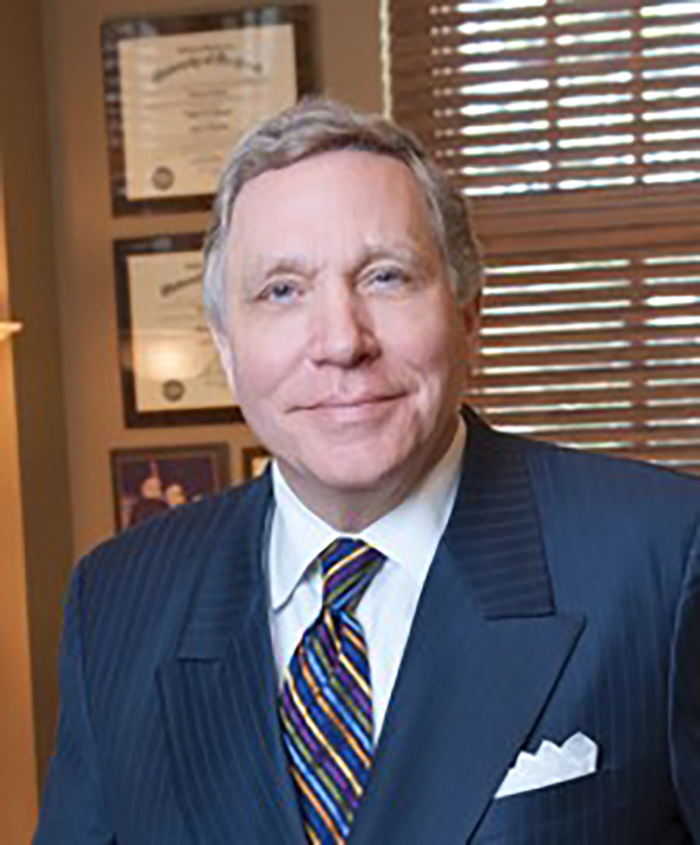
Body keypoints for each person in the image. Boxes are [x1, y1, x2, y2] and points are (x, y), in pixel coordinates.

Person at [35, 100, 699, 844]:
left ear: (468, 312)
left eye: (386, 276)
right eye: (282, 290)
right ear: (225, 345)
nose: (342, 342)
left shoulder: (663, 559)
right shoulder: (117, 599)